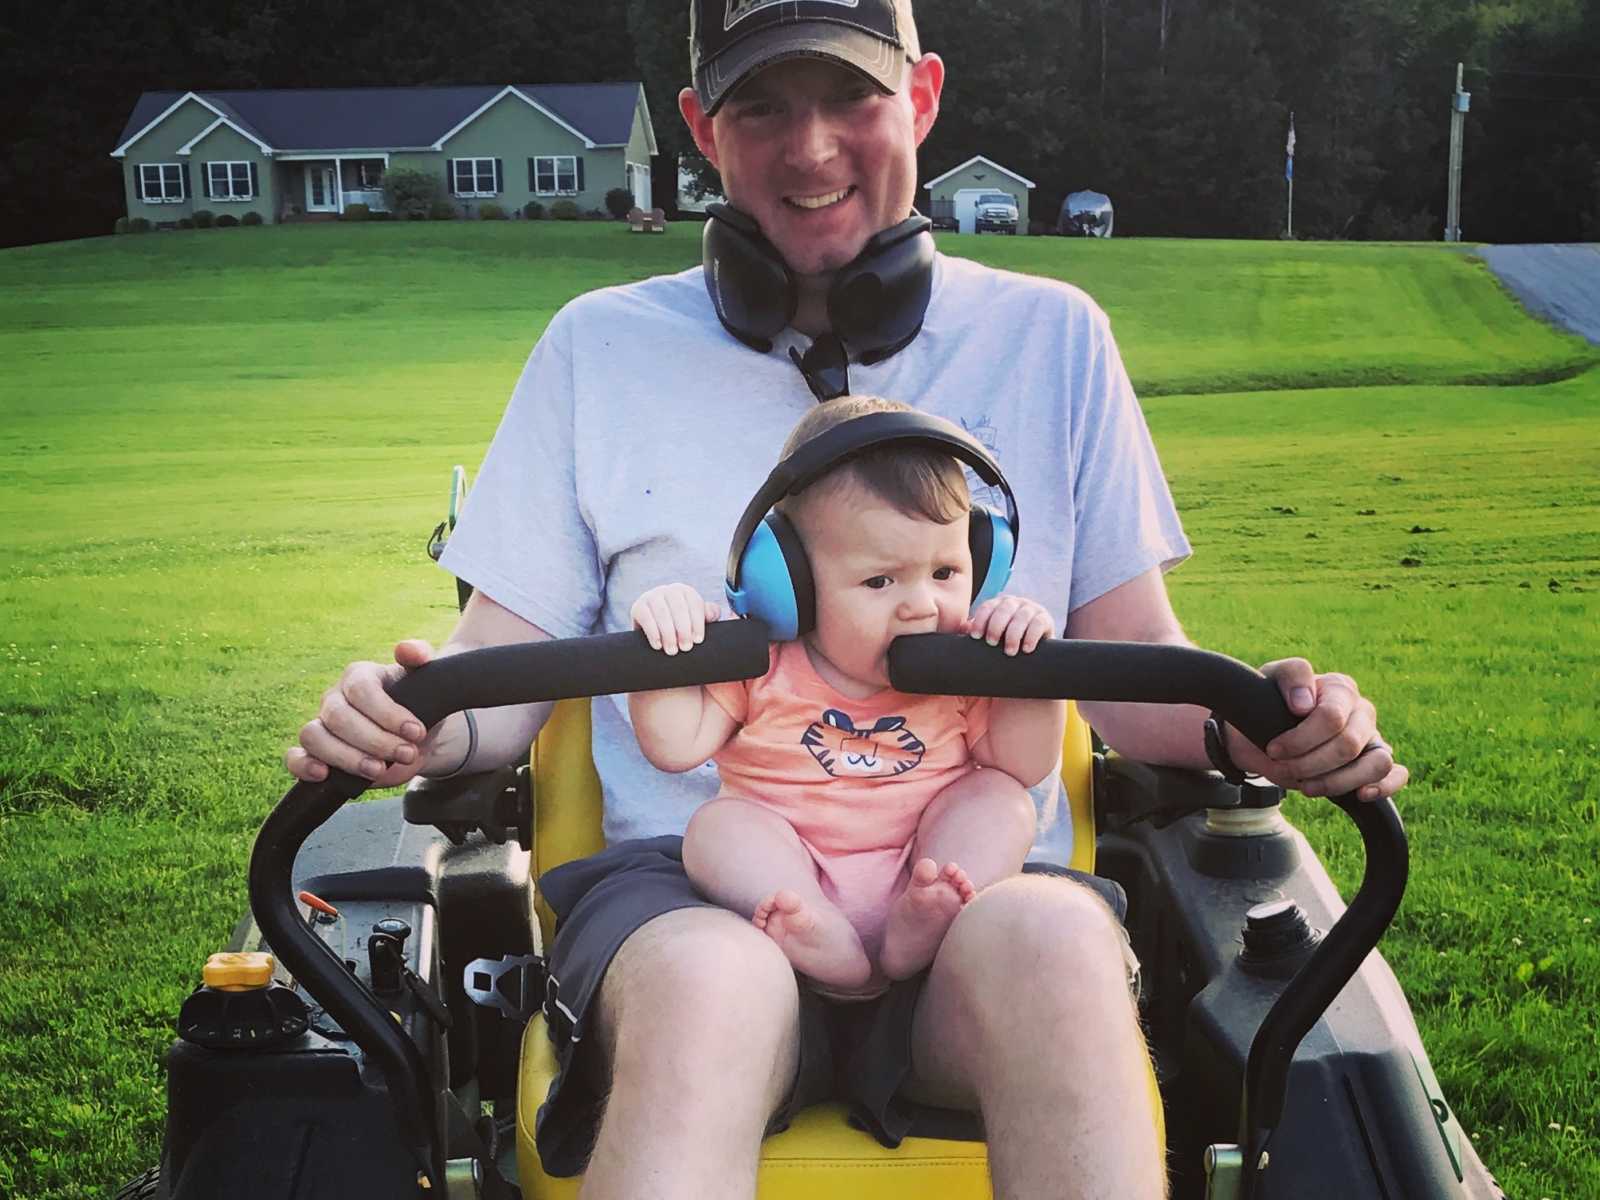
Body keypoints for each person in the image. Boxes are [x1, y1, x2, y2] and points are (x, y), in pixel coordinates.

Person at [286, 2, 1408, 1195]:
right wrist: (411, 714)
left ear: (922, 97)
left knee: (1059, 950)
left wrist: (1269, 724)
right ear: (699, 130)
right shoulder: (597, 349)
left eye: (852, 100)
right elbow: (494, 673)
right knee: (708, 994)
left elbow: (1132, 663)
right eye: (761, 105)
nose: (809, 149)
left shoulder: (1052, 339)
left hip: (972, 877)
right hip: (697, 884)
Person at [629, 396, 1060, 992]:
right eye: (880, 581)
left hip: (927, 861)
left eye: (945, 573)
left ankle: (938, 907)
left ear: (982, 562)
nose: (922, 606)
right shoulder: (763, 663)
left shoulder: (964, 662)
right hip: (788, 866)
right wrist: (668, 644)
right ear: (791, 583)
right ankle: (808, 920)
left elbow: (1025, 764)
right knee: (717, 827)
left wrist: (1029, 668)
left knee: (1000, 797)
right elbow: (674, 745)